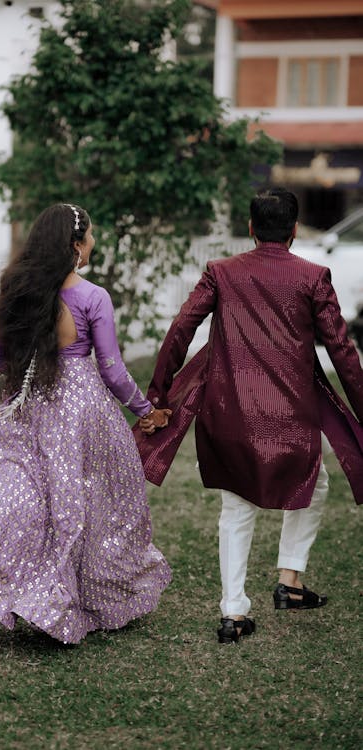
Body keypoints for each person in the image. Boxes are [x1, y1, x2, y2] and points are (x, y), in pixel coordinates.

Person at [0, 203, 172, 644]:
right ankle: (83, 597)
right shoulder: (92, 297)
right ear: (76, 246)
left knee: (19, 497)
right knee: (89, 505)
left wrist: (29, 377)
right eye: (92, 236)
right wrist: (145, 410)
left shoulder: (19, 289)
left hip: (28, 403)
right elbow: (113, 370)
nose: (94, 243)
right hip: (82, 412)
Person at [136, 188, 363, 644]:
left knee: (236, 505)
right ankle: (289, 579)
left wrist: (160, 393)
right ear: (296, 231)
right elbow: (341, 347)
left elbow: (182, 326)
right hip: (292, 411)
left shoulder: (221, 272)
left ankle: (234, 610)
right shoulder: (314, 276)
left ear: (250, 227)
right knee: (314, 482)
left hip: (230, 406)